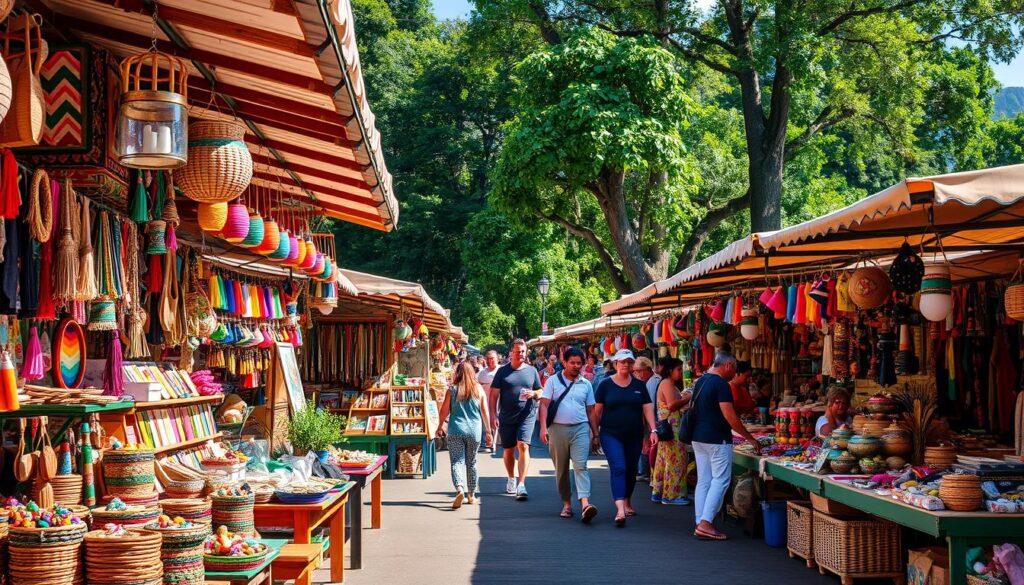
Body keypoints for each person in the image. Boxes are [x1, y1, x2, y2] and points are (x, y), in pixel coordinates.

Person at [689, 352, 761, 540]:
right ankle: (705, 523)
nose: (735, 374)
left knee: (704, 480)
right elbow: (730, 416)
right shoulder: (721, 385)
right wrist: (749, 438)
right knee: (720, 480)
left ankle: (701, 520)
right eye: (735, 369)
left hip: (698, 437)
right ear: (728, 365)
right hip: (716, 438)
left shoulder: (701, 381)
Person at [594, 349, 658, 526]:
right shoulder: (605, 385)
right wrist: (594, 434)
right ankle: (620, 509)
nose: (626, 365)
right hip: (610, 434)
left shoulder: (639, 385)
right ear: (615, 364)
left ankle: (627, 500)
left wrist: (653, 430)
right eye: (622, 361)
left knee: (630, 469)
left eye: (629, 362)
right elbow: (597, 412)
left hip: (634, 434)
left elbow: (647, 408)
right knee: (619, 467)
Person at [539, 347, 599, 523]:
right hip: (557, 429)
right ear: (564, 362)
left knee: (581, 466)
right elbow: (543, 405)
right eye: (572, 362)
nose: (576, 366)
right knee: (562, 469)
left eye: (579, 363)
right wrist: (543, 428)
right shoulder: (552, 381)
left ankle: (585, 504)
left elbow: (591, 410)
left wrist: (595, 434)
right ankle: (566, 503)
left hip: (580, 428)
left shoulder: (586, 384)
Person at [488, 339, 542, 500]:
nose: (521, 354)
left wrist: (534, 394)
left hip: (527, 414)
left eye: (523, 351)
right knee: (508, 450)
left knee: (523, 445)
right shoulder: (502, 372)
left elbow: (540, 390)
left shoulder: (532, 371)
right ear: (511, 352)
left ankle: (521, 484)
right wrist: (492, 415)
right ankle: (511, 477)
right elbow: (493, 396)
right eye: (518, 351)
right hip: (506, 415)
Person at [436, 361, 491, 508]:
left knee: (457, 461)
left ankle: (460, 488)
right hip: (474, 431)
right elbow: (485, 412)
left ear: (458, 373)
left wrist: (439, 426)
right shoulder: (479, 390)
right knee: (472, 462)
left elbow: (444, 411)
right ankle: (471, 494)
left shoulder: (452, 390)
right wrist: (489, 431)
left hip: (455, 430)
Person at [651, 358, 692, 505]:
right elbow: (672, 405)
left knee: (663, 460)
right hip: (672, 428)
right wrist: (688, 398)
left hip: (669, 427)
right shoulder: (667, 383)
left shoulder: (667, 383)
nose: (681, 373)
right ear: (670, 370)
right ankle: (672, 495)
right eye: (679, 370)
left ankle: (659, 491)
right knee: (676, 460)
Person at [632, 357, 655, 481]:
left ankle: (644, 471)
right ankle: (643, 470)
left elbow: (649, 406)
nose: (638, 374)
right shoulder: (645, 383)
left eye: (640, 371)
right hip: (643, 422)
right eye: (636, 371)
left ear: (647, 369)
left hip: (648, 422)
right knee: (644, 446)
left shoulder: (651, 382)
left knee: (646, 446)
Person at [477, 350, 501, 452]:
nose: (490, 361)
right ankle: (487, 443)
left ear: (497, 359)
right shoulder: (482, 373)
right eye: (489, 359)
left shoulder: (502, 371)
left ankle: (495, 443)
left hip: (499, 402)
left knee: (496, 422)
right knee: (485, 422)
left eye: (493, 358)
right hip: (485, 402)